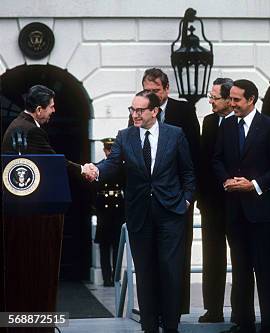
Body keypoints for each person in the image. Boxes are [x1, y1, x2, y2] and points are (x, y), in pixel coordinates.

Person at [84, 90, 195, 333]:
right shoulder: (125, 137)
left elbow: (187, 171)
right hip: (139, 214)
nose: (134, 114)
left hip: (171, 213)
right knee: (145, 272)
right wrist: (96, 170)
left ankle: (171, 326)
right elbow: (112, 164)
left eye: (140, 110)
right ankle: (149, 327)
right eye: (132, 110)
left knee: (170, 271)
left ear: (154, 112)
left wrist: (186, 201)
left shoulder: (174, 134)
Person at [212, 79, 270, 333]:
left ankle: (268, 323)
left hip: (262, 211)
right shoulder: (227, 127)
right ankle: (243, 322)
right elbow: (216, 159)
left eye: (236, 100)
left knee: (265, 269)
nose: (231, 104)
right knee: (240, 269)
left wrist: (254, 184)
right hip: (235, 211)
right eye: (230, 99)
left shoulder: (269, 127)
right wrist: (226, 180)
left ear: (252, 99)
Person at [132, 68, 201, 314]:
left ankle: (174, 311)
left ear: (166, 90)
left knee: (175, 260)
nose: (151, 95)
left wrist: (187, 199)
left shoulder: (183, 111)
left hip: (175, 200)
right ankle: (152, 312)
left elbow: (193, 156)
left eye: (156, 91)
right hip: (147, 203)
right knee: (149, 261)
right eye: (147, 90)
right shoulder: (137, 113)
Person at [198, 77, 234, 323]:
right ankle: (213, 309)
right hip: (212, 203)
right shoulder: (209, 122)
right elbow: (203, 161)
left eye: (215, 97)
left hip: (238, 201)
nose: (210, 101)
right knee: (212, 256)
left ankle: (242, 311)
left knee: (242, 257)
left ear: (230, 99)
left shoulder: (244, 123)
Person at [1, 85, 84, 178]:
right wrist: (83, 170)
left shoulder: (21, 123)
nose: (54, 110)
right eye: (51, 107)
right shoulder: (32, 131)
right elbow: (53, 161)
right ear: (39, 110)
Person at [93, 137, 125, 287]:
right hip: (103, 212)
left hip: (118, 210)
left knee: (117, 244)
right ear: (105, 151)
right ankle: (107, 278)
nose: (110, 152)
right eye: (108, 149)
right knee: (104, 246)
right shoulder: (99, 167)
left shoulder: (123, 168)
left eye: (112, 149)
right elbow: (92, 191)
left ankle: (116, 277)